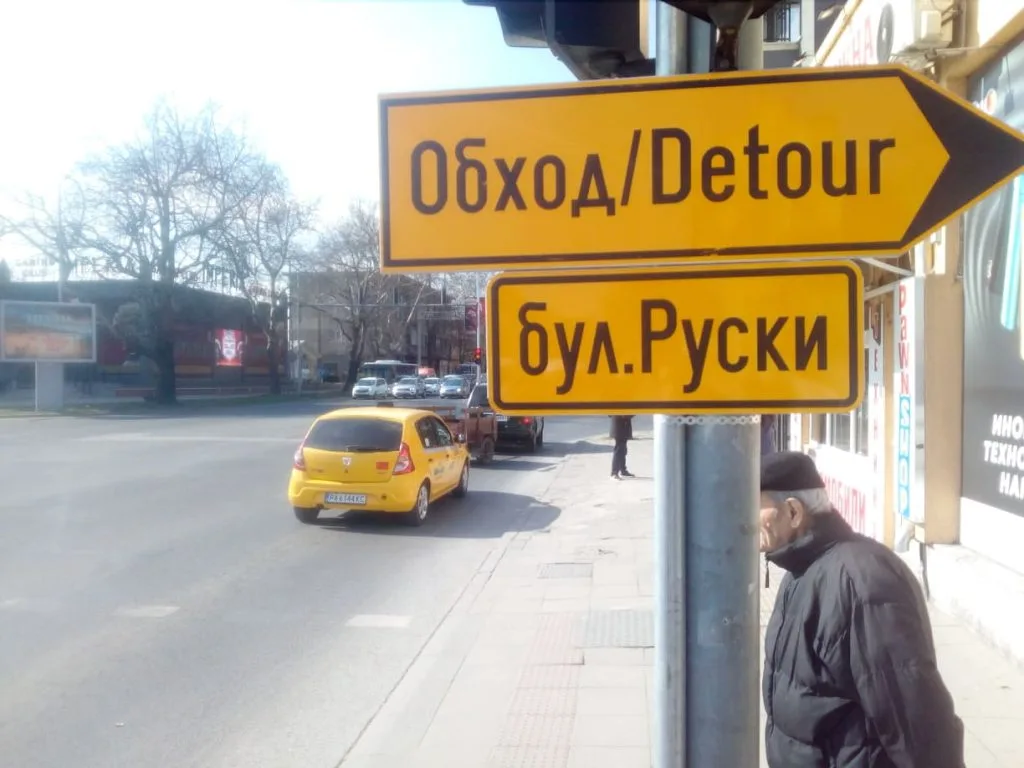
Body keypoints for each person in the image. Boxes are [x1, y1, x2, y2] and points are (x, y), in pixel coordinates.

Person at [760, 451, 964, 768]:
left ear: (793, 512)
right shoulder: (799, 571)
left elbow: (916, 719)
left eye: (754, 508)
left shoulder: (863, 581)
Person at [609, 415, 633, 479]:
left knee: (623, 449)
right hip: (618, 427)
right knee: (619, 449)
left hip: (624, 426)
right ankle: (614, 473)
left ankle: (623, 470)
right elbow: (609, 413)